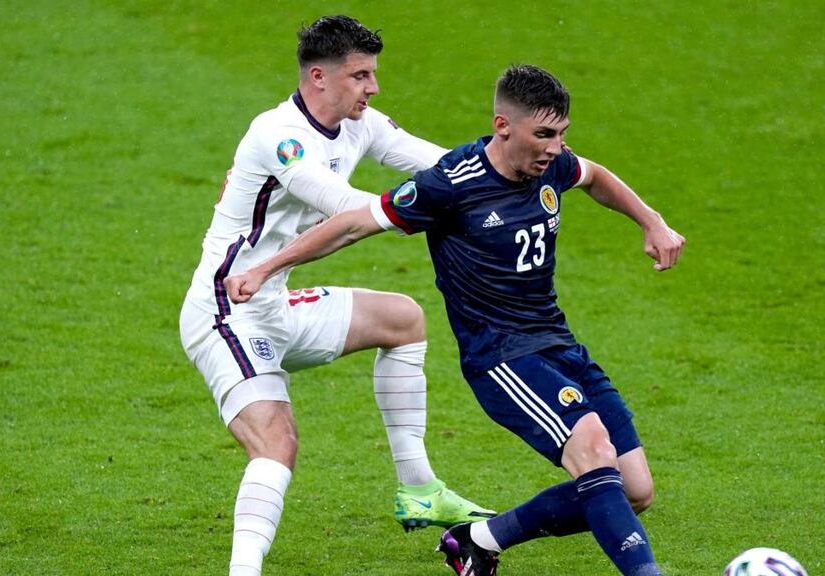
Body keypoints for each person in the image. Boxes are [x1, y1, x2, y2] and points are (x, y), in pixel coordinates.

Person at [224, 64, 685, 575]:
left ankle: (481, 539)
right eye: (544, 135)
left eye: (561, 134)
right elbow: (355, 224)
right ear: (503, 126)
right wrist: (268, 266)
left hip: (558, 343)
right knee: (594, 453)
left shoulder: (549, 165)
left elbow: (594, 177)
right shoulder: (450, 186)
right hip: (502, 356)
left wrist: (651, 220)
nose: (556, 148)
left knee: (635, 489)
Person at [178, 15, 493, 576]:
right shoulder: (277, 136)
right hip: (226, 312)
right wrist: (426, 207)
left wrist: (501, 169)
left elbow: (439, 163)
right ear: (318, 77)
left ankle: (419, 489)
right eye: (361, 75)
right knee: (278, 443)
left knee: (402, 318)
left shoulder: (360, 124)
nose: (372, 88)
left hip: (273, 302)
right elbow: (343, 207)